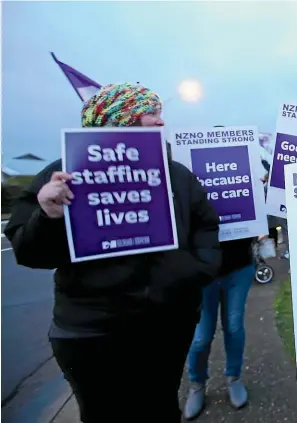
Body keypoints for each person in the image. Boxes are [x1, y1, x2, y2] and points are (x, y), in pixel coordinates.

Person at [3, 82, 222, 423]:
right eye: (151, 114)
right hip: (91, 333)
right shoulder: (63, 174)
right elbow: (29, 253)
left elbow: (206, 228)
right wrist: (46, 215)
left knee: (160, 407)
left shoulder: (177, 175)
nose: (160, 122)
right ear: (122, 119)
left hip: (165, 325)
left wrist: (192, 271)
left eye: (161, 113)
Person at [183, 126, 258, 419]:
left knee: (235, 327)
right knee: (201, 337)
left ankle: (233, 378)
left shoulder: (248, 181)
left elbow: (268, 215)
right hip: (202, 273)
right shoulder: (187, 184)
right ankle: (196, 384)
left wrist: (261, 191)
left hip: (238, 268)